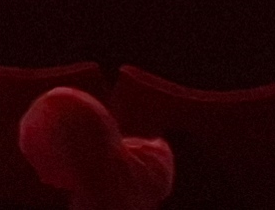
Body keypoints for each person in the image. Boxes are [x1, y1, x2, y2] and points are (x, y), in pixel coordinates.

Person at [16, 86, 171, 210]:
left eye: (46, 167)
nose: (43, 179)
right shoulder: (153, 159)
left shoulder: (92, 201)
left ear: (77, 159)